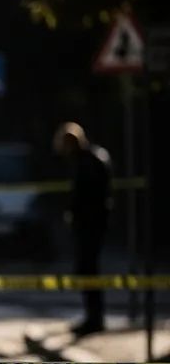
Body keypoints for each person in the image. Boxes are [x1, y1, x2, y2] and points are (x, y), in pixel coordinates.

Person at [54, 121, 112, 336]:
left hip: (90, 224)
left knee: (89, 269)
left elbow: (86, 196)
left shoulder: (87, 161)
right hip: (93, 223)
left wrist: (75, 214)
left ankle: (94, 319)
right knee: (88, 269)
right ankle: (93, 317)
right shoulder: (93, 158)